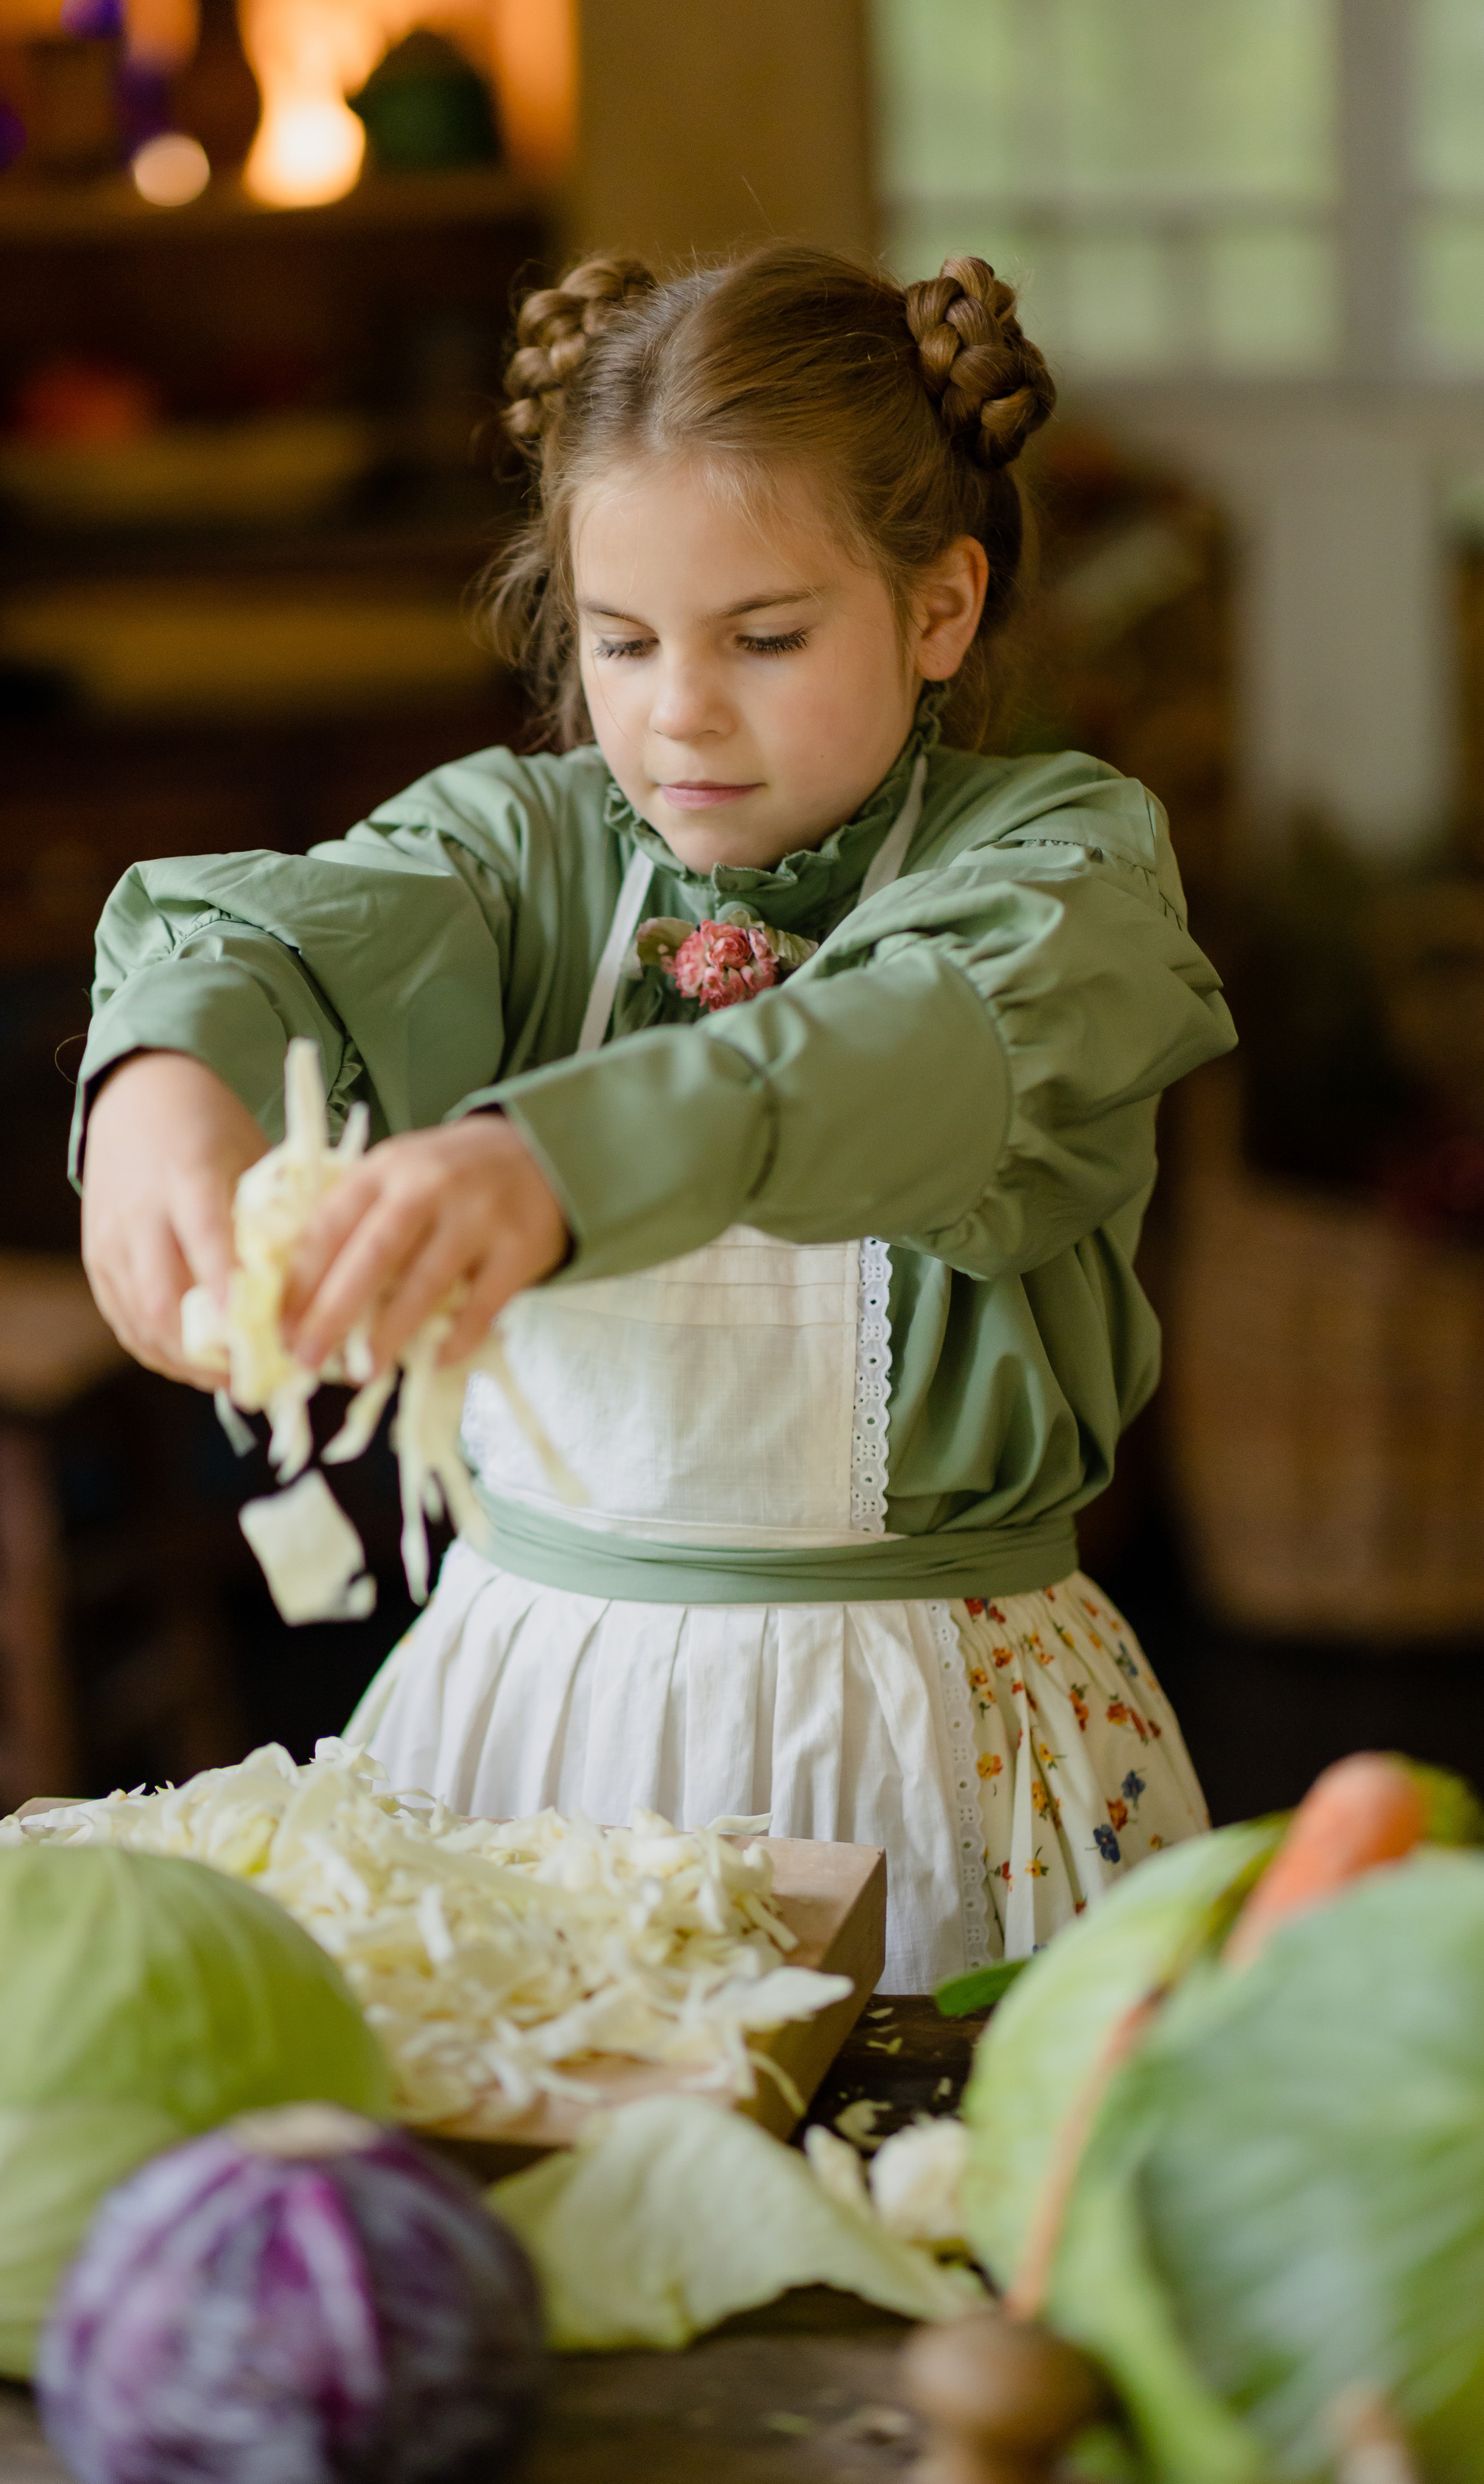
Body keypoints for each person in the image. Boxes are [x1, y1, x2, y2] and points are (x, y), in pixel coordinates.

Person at [76, 246, 1235, 1992]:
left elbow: (896, 1050)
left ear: (939, 608)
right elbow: (273, 943)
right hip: (534, 1735)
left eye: (764, 639)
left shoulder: (1061, 873)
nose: (676, 711)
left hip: (935, 1738)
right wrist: (164, 1083)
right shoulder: (520, 853)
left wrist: (550, 1162)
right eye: (621, 643)